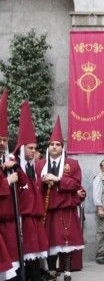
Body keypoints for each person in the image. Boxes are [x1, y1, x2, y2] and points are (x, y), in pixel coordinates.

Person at [4, 101, 49, 281]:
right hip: (21, 220)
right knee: (24, 260)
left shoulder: (34, 167)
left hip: (34, 220)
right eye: (30, 148)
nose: (33, 151)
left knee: (34, 259)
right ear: (22, 148)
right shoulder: (14, 166)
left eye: (35, 148)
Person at [36, 116, 84, 281]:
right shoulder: (40, 164)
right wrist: (43, 181)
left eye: (57, 145)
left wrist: (58, 180)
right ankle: (50, 271)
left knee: (67, 241)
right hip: (47, 209)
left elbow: (77, 183)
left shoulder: (73, 163)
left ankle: (68, 271)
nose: (54, 147)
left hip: (66, 208)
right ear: (48, 147)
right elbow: (35, 185)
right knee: (49, 242)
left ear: (62, 148)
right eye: (51, 145)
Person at [0, 90, 19, 281]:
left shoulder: (6, 160)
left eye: (5, 140)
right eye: (0, 139)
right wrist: (7, 181)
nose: (2, 143)